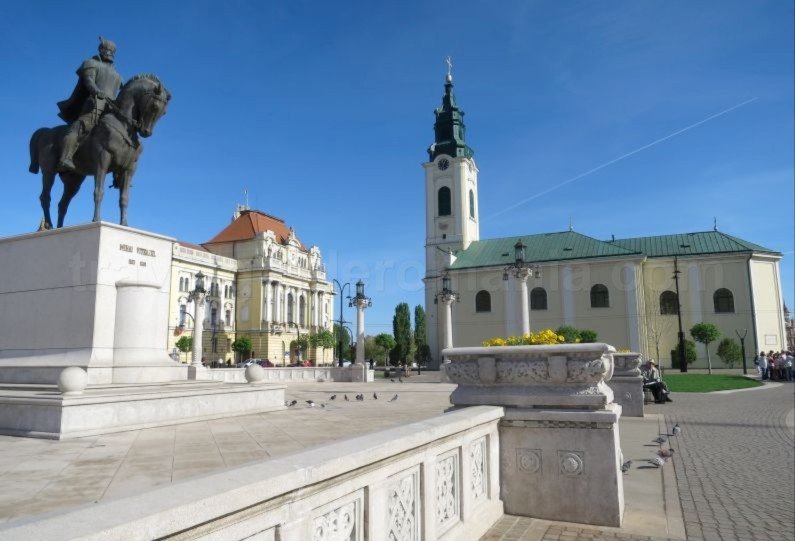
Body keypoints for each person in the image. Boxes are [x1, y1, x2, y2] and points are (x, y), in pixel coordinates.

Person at [56, 37, 123, 171]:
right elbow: (88, 81)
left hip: (111, 107)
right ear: (101, 50)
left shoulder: (117, 75)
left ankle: (120, 168)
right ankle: (65, 157)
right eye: (107, 50)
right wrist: (97, 91)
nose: (110, 53)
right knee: (79, 127)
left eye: (112, 51)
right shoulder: (90, 63)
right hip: (94, 103)